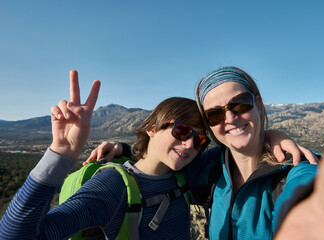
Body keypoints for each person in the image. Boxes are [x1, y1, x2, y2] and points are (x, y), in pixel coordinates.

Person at [86, 66, 319, 239]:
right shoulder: (208, 167)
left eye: (241, 105)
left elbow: (310, 197)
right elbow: (158, 162)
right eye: (215, 114)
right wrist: (124, 149)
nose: (230, 118)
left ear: (258, 105)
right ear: (210, 126)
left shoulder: (296, 169)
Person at [0, 70, 212, 239]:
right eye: (182, 130)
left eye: (200, 140)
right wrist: (60, 154)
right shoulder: (113, 186)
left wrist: (124, 147)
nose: (190, 143)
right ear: (152, 128)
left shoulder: (186, 174)